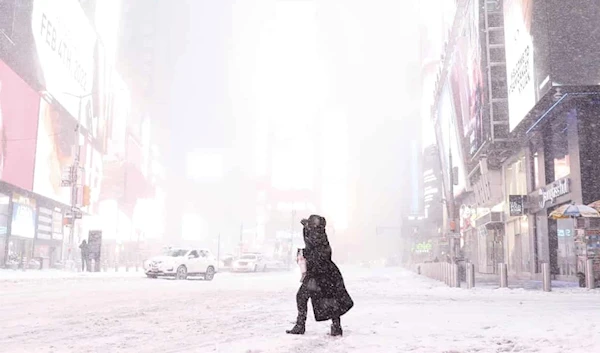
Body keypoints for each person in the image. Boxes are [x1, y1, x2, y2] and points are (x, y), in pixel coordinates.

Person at [286, 215, 354, 336]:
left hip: (320, 274)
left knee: (303, 297)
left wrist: (305, 253)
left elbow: (318, 255)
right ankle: (336, 327)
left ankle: (301, 325)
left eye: (310, 224)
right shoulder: (319, 235)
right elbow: (310, 243)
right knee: (331, 300)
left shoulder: (319, 237)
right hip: (326, 274)